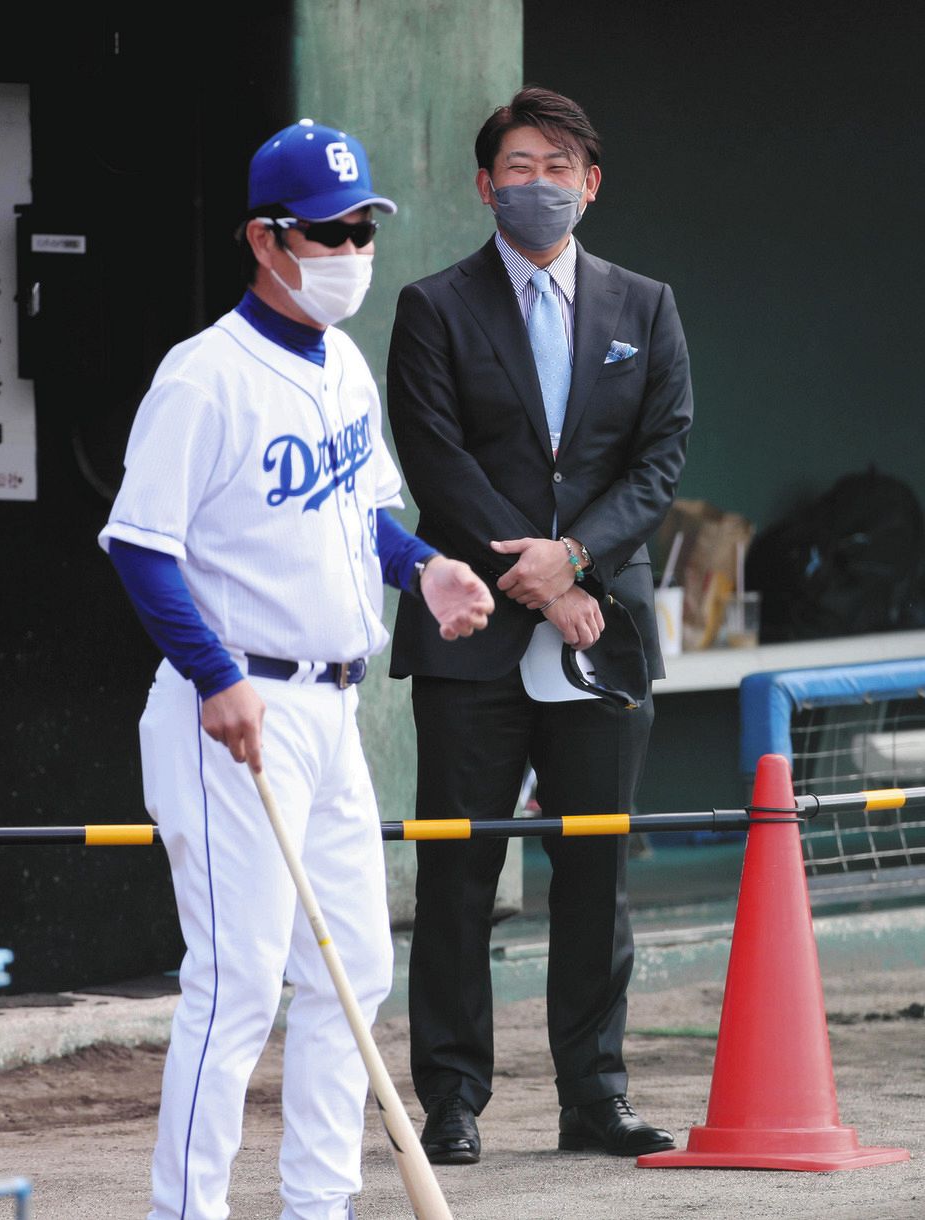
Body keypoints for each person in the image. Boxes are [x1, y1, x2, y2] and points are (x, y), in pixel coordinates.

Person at [98, 117, 493, 1220]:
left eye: (362, 223)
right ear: (265, 239)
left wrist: (428, 571)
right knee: (234, 985)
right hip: (232, 704)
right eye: (329, 229)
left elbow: (369, 511)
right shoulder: (204, 376)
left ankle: (318, 1201)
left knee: (352, 970)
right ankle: (189, 1210)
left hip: (330, 706)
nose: (352, 245)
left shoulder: (346, 364)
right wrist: (216, 672)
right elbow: (141, 543)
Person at [386, 86, 693, 1164]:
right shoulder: (434, 306)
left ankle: (594, 1097)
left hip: (602, 624)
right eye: (519, 166)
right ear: (484, 184)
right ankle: (453, 1099)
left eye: (559, 167)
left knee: (595, 868)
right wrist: (537, 571)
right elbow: (433, 456)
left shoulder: (644, 305)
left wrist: (581, 562)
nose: (539, 184)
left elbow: (661, 456)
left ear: (591, 185)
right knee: (460, 871)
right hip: (474, 629)